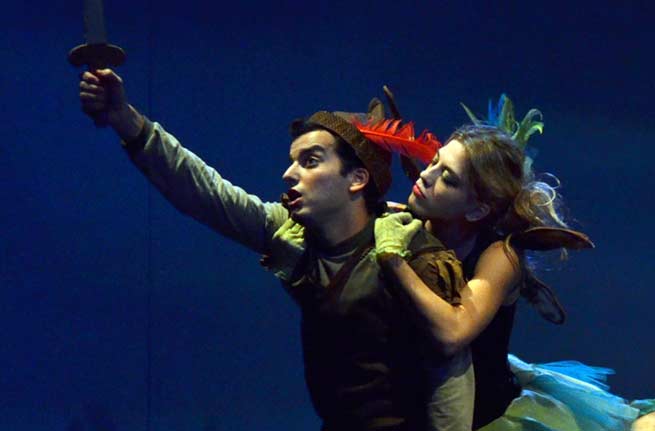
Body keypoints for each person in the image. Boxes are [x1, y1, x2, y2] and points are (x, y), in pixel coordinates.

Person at [77, 68, 473, 431]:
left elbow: (450, 375)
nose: (289, 174)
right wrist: (124, 119)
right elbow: (204, 193)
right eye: (293, 161)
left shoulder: (406, 252)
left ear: (356, 179)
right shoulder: (293, 234)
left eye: (310, 161)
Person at [374, 95, 655, 431]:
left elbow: (453, 333)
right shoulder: (408, 225)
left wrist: (394, 260)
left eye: (448, 178)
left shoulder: (500, 256)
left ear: (478, 209)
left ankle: (650, 415)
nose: (426, 175)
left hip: (491, 414)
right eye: (434, 162)